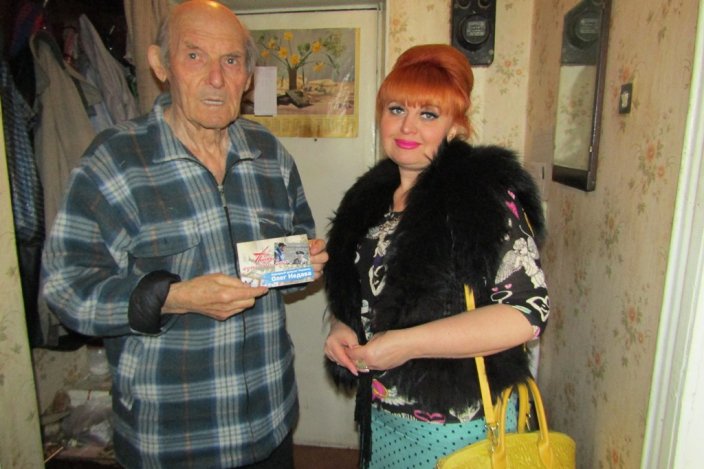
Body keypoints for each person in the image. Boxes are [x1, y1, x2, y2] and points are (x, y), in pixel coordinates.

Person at [40, 1, 328, 468]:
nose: (216, 78)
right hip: (174, 439)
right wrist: (173, 298)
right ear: (160, 65)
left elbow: (287, 263)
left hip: (270, 422)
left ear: (247, 76)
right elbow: (65, 290)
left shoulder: (270, 154)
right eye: (195, 56)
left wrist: (301, 263)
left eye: (231, 60)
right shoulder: (114, 161)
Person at [323, 44, 549, 468]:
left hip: (460, 424)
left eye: (428, 114)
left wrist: (406, 344)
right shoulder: (369, 200)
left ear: (456, 126)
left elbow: (526, 313)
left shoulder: (481, 198)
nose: (407, 126)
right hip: (381, 413)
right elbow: (364, 293)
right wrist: (343, 324)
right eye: (396, 109)